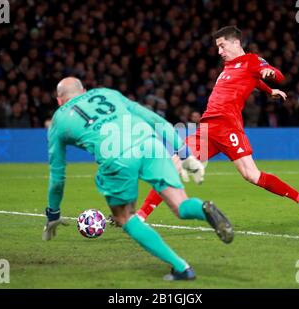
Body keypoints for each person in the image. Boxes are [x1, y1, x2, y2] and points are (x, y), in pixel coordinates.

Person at [42, 77, 234, 281]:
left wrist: (53, 213)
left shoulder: (58, 120)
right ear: (84, 91)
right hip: (150, 145)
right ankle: (204, 208)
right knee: (181, 205)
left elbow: (57, 177)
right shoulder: (108, 93)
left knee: (125, 217)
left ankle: (182, 268)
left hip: (117, 156)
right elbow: (157, 121)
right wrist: (185, 154)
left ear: (59, 100)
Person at [137, 26, 299, 228]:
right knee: (172, 166)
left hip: (228, 127)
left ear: (235, 43)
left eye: (222, 46)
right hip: (207, 129)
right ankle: (140, 216)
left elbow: (277, 75)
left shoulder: (251, 61)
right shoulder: (229, 67)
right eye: (217, 47)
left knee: (252, 175)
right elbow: (250, 81)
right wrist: (269, 90)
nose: (219, 51)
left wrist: (271, 76)